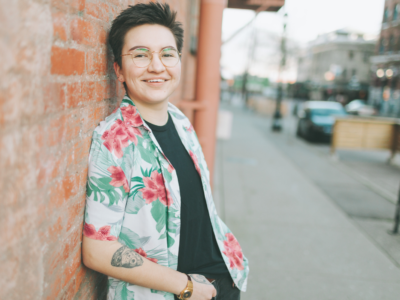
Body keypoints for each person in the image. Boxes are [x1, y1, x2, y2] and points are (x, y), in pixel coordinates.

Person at [82, 3, 249, 300]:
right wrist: (188, 288)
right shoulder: (114, 140)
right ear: (118, 69)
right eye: (140, 55)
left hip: (222, 279)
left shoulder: (181, 121)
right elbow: (97, 249)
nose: (157, 66)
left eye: (167, 54)